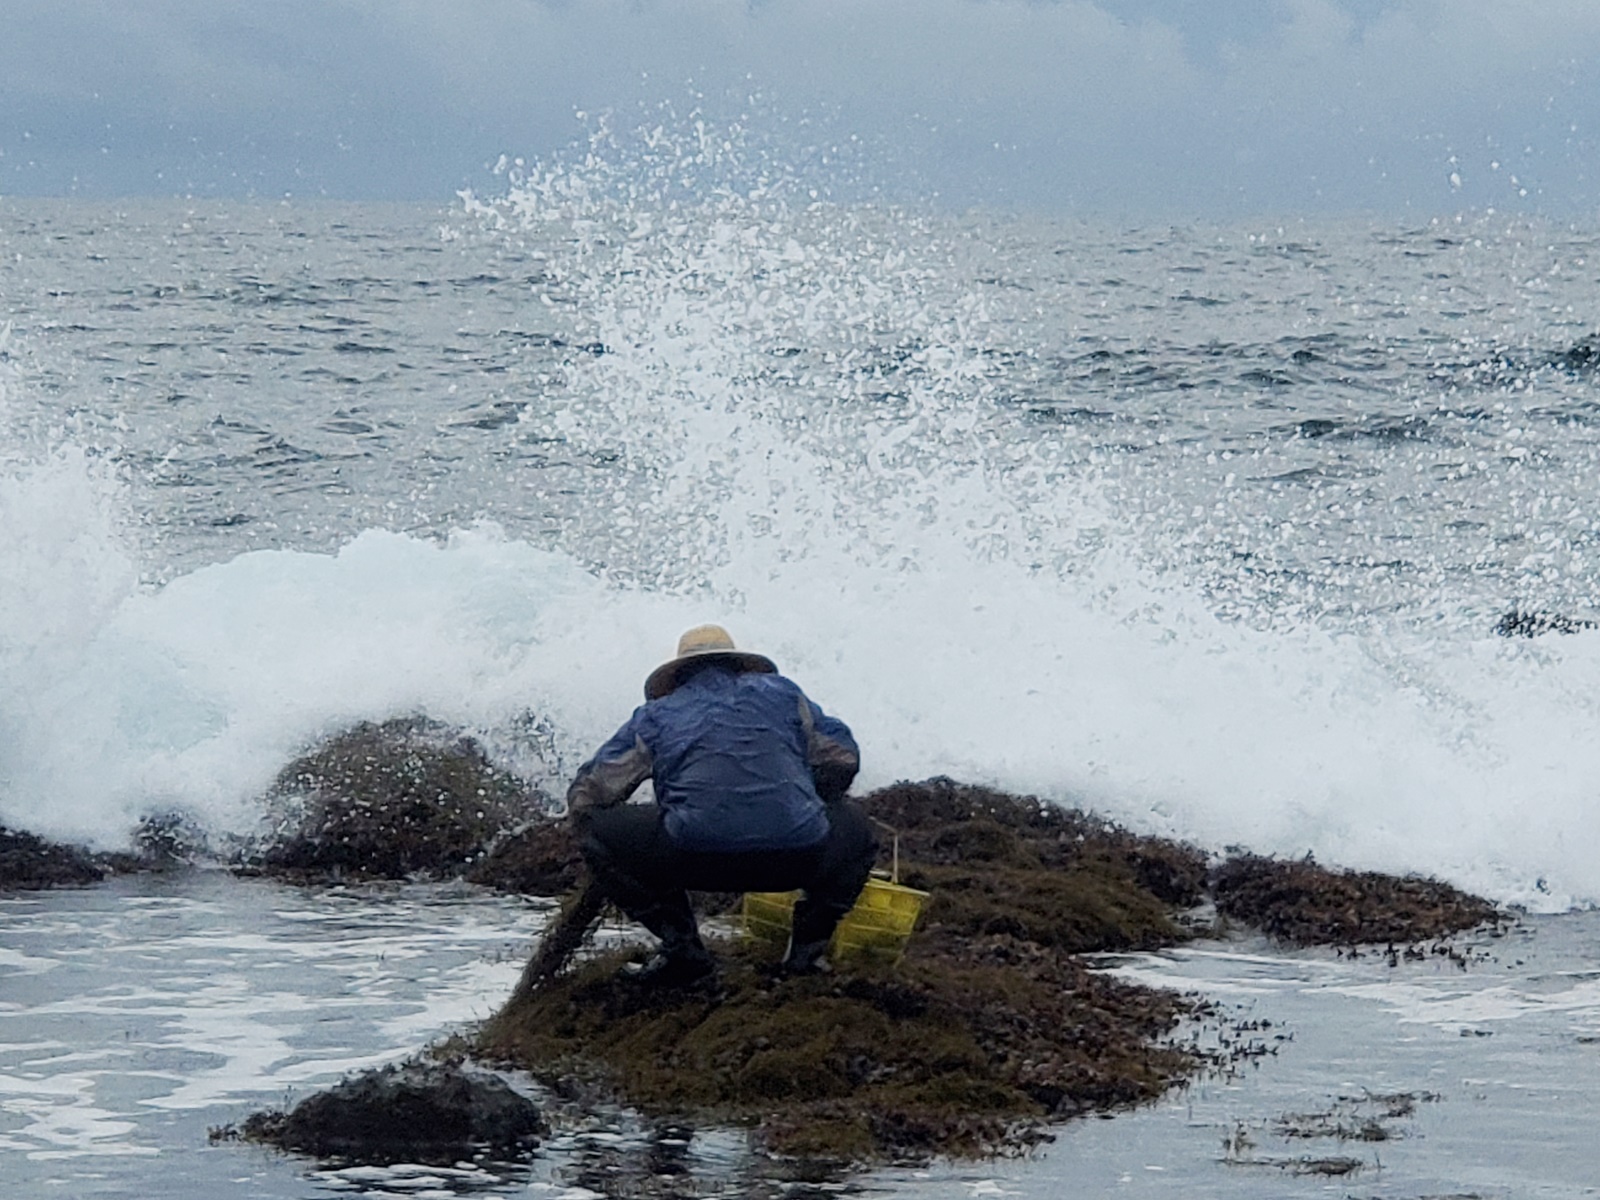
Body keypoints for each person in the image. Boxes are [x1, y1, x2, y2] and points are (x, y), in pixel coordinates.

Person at [567, 624, 877, 985]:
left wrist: (594, 828)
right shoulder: (785, 695)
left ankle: (684, 953)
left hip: (694, 858)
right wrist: (810, 797)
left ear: (677, 676)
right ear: (740, 666)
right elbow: (844, 757)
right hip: (798, 856)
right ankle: (805, 956)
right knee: (857, 829)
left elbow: (591, 791)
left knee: (598, 834)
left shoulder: (656, 715)